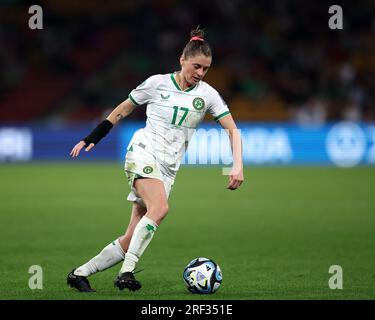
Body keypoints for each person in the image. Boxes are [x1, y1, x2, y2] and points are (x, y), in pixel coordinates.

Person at [67, 27, 244, 292]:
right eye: (196, 66)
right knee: (160, 209)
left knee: (131, 238)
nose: (200, 73)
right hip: (143, 151)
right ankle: (126, 272)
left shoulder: (207, 95)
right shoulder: (156, 83)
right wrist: (93, 136)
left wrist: (237, 165)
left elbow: (233, 130)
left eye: (205, 69)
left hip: (169, 169)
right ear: (182, 60)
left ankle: (80, 274)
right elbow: (122, 110)